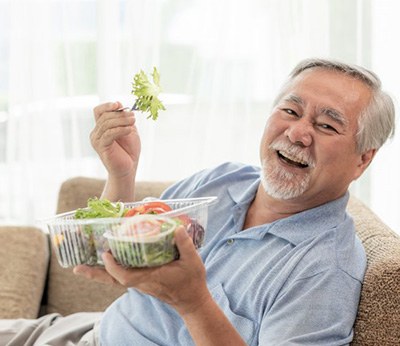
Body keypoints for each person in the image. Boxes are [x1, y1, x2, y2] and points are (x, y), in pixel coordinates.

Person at [0, 58, 395, 346]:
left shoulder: (326, 270)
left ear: (363, 158)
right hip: (88, 331)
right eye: (290, 110)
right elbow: (103, 249)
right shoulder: (224, 180)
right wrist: (122, 174)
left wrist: (194, 302)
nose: (297, 132)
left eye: (326, 125)